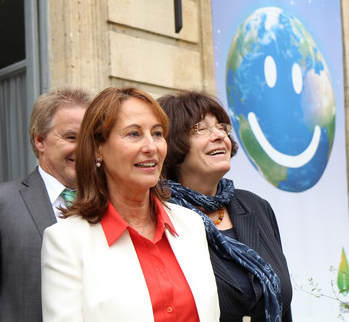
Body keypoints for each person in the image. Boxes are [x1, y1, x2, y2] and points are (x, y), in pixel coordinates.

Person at [41, 86, 220, 322]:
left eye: (157, 134)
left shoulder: (191, 224)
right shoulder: (65, 242)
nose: (151, 147)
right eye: (134, 134)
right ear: (98, 149)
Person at [157, 90, 293, 322]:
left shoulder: (256, 206)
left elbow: (283, 305)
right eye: (201, 128)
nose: (219, 135)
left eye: (221, 127)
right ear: (172, 143)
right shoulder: (160, 215)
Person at [0, 87, 92, 322]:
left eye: (90, 138)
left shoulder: (110, 205)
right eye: (72, 137)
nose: (84, 147)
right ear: (40, 139)